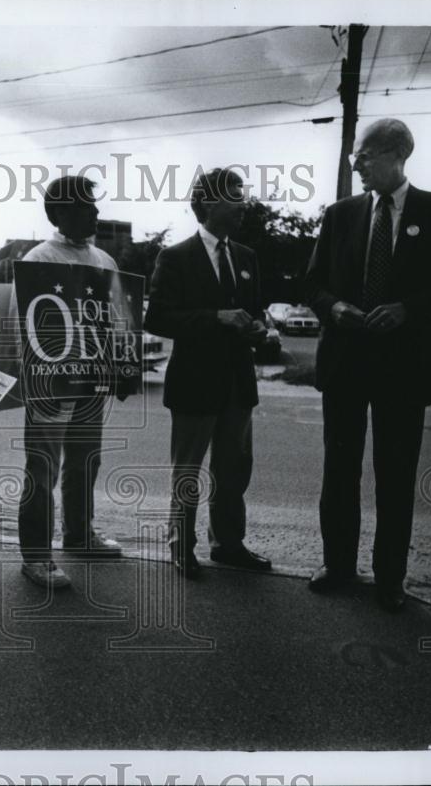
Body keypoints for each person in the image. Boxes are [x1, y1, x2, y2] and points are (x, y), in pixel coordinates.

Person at [303, 118, 431, 612]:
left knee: (396, 474)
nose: (353, 163)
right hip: (344, 362)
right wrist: (334, 308)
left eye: (361, 155)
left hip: (403, 365)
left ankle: (390, 580)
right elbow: (312, 283)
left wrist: (410, 309)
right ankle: (338, 565)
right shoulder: (339, 214)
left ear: (393, 155)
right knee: (339, 470)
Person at [145, 167, 272, 579]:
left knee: (233, 471)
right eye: (235, 197)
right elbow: (158, 318)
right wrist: (217, 317)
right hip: (194, 383)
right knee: (188, 472)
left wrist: (257, 329)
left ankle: (229, 545)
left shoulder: (248, 256)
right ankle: (181, 547)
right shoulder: (176, 256)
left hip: (238, 383)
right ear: (210, 204)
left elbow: (254, 315)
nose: (243, 205)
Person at [14, 175, 124, 590]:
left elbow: (116, 320)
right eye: (84, 206)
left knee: (85, 460)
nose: (95, 212)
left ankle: (79, 536)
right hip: (51, 382)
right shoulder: (40, 257)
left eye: (94, 204)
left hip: (91, 378)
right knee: (43, 465)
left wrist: (121, 367)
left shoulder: (104, 260)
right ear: (58, 212)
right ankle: (36, 555)